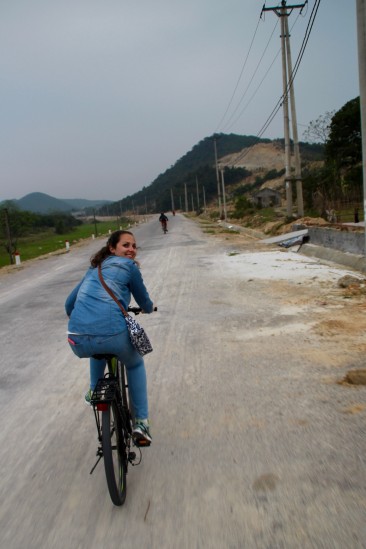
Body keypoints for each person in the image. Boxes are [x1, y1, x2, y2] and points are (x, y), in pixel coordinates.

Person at [65, 230, 154, 445]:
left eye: (134, 246)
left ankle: (94, 390)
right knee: (134, 364)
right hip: (112, 334)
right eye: (126, 245)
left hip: (76, 338)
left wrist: (85, 318)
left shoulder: (93, 269)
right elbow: (144, 301)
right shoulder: (129, 267)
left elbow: (69, 304)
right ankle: (141, 422)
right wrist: (149, 309)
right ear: (112, 248)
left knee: (97, 351)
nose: (131, 249)